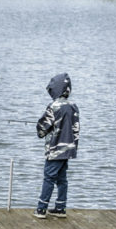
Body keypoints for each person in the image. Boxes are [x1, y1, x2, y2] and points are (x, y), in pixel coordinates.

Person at [34, 72, 79, 218]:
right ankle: (60, 208)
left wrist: (40, 129)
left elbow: (42, 129)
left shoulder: (54, 106)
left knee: (49, 177)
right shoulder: (73, 106)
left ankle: (41, 208)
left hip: (55, 150)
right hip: (69, 149)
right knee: (62, 178)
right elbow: (76, 129)